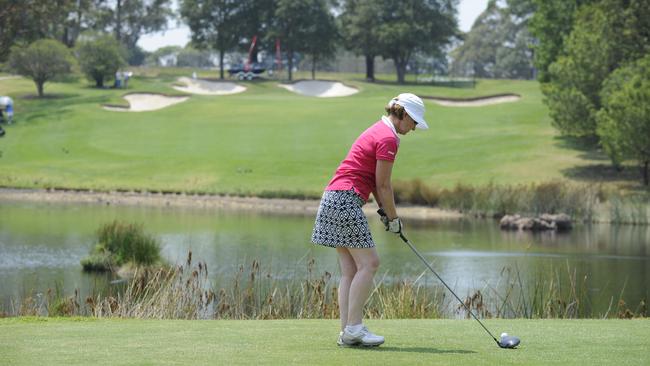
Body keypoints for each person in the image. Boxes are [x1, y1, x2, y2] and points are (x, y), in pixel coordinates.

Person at [311, 93, 429, 347]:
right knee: (371, 263)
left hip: (333, 198)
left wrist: (387, 214)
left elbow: (376, 183)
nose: (414, 127)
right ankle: (354, 328)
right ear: (403, 114)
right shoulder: (388, 138)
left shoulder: (378, 130)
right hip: (345, 200)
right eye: (414, 122)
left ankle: (347, 332)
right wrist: (395, 218)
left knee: (351, 270)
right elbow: (384, 185)